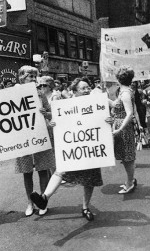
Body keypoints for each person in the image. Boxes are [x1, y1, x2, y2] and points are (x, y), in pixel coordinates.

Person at [30, 77, 113, 221]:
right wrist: (52, 119)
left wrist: (108, 121)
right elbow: (57, 120)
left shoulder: (97, 104)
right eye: (83, 88)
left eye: (88, 87)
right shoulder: (66, 105)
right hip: (72, 147)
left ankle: (85, 207)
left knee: (90, 178)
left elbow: (104, 121)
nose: (87, 90)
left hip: (90, 147)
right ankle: (44, 198)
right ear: (74, 91)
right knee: (61, 170)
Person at [15, 66, 55, 217]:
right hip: (23, 137)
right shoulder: (13, 94)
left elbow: (51, 114)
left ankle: (42, 201)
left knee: (43, 169)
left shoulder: (40, 94)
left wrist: (46, 113)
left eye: (34, 76)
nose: (33, 79)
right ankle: (29, 203)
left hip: (40, 135)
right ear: (21, 78)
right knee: (27, 172)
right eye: (29, 76)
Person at [109, 66, 137, 194]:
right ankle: (130, 180)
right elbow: (116, 105)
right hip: (121, 127)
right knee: (126, 157)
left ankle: (130, 183)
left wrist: (120, 129)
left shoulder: (125, 93)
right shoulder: (124, 91)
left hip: (123, 128)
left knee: (127, 158)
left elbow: (129, 113)